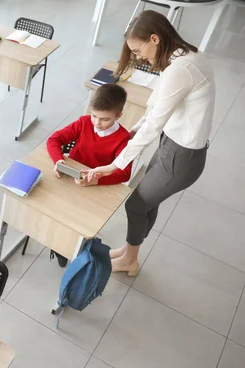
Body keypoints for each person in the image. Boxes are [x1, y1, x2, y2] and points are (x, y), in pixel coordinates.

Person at [84, 10, 215, 277]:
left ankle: (130, 260)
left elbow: (154, 123)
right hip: (173, 146)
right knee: (147, 202)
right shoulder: (186, 56)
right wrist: (130, 132)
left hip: (182, 157)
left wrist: (114, 165)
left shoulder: (180, 70)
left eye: (137, 49)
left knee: (136, 204)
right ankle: (129, 251)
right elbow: (155, 109)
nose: (138, 57)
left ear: (154, 39)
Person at [46, 83, 132, 266]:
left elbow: (124, 173)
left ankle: (67, 246)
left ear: (118, 116)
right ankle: (57, 242)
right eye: (94, 115)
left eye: (104, 119)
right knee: (53, 208)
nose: (97, 123)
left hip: (94, 189)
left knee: (76, 220)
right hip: (69, 179)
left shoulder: (123, 139)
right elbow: (54, 139)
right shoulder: (84, 122)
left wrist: (96, 182)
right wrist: (59, 161)